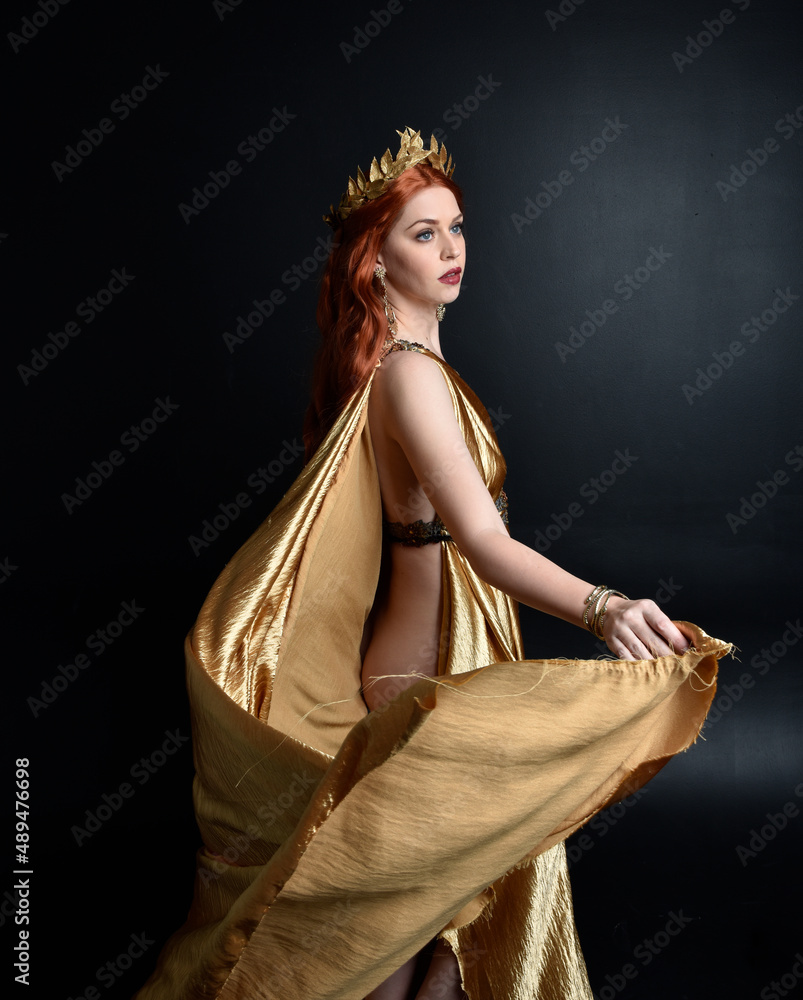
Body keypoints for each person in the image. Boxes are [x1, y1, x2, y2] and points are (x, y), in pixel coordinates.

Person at [134, 129, 730, 1000]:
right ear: (373, 264)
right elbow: (484, 546)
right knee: (395, 935)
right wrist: (602, 607)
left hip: (449, 655)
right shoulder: (408, 376)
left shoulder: (417, 366)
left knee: (442, 934)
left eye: (456, 227)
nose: (451, 249)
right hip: (419, 675)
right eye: (423, 233)